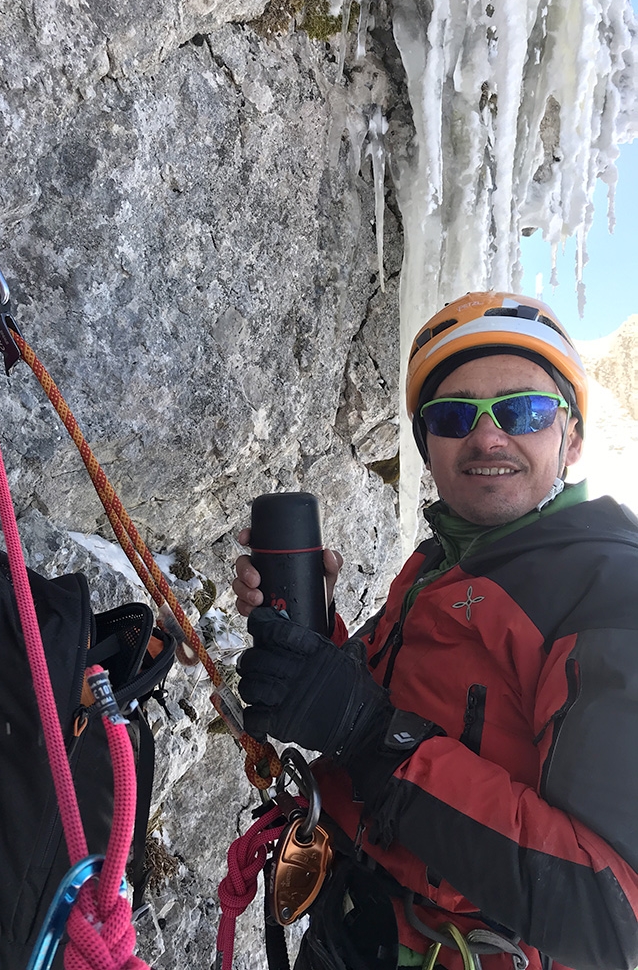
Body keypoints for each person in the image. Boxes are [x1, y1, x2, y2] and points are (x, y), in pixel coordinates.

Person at [232, 292, 638, 970]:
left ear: (570, 437)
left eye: (524, 411)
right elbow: (406, 711)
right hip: (358, 929)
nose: (487, 436)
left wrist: (366, 731)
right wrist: (315, 648)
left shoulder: (607, 594)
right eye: (454, 417)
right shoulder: (439, 564)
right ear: (427, 447)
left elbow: (612, 910)